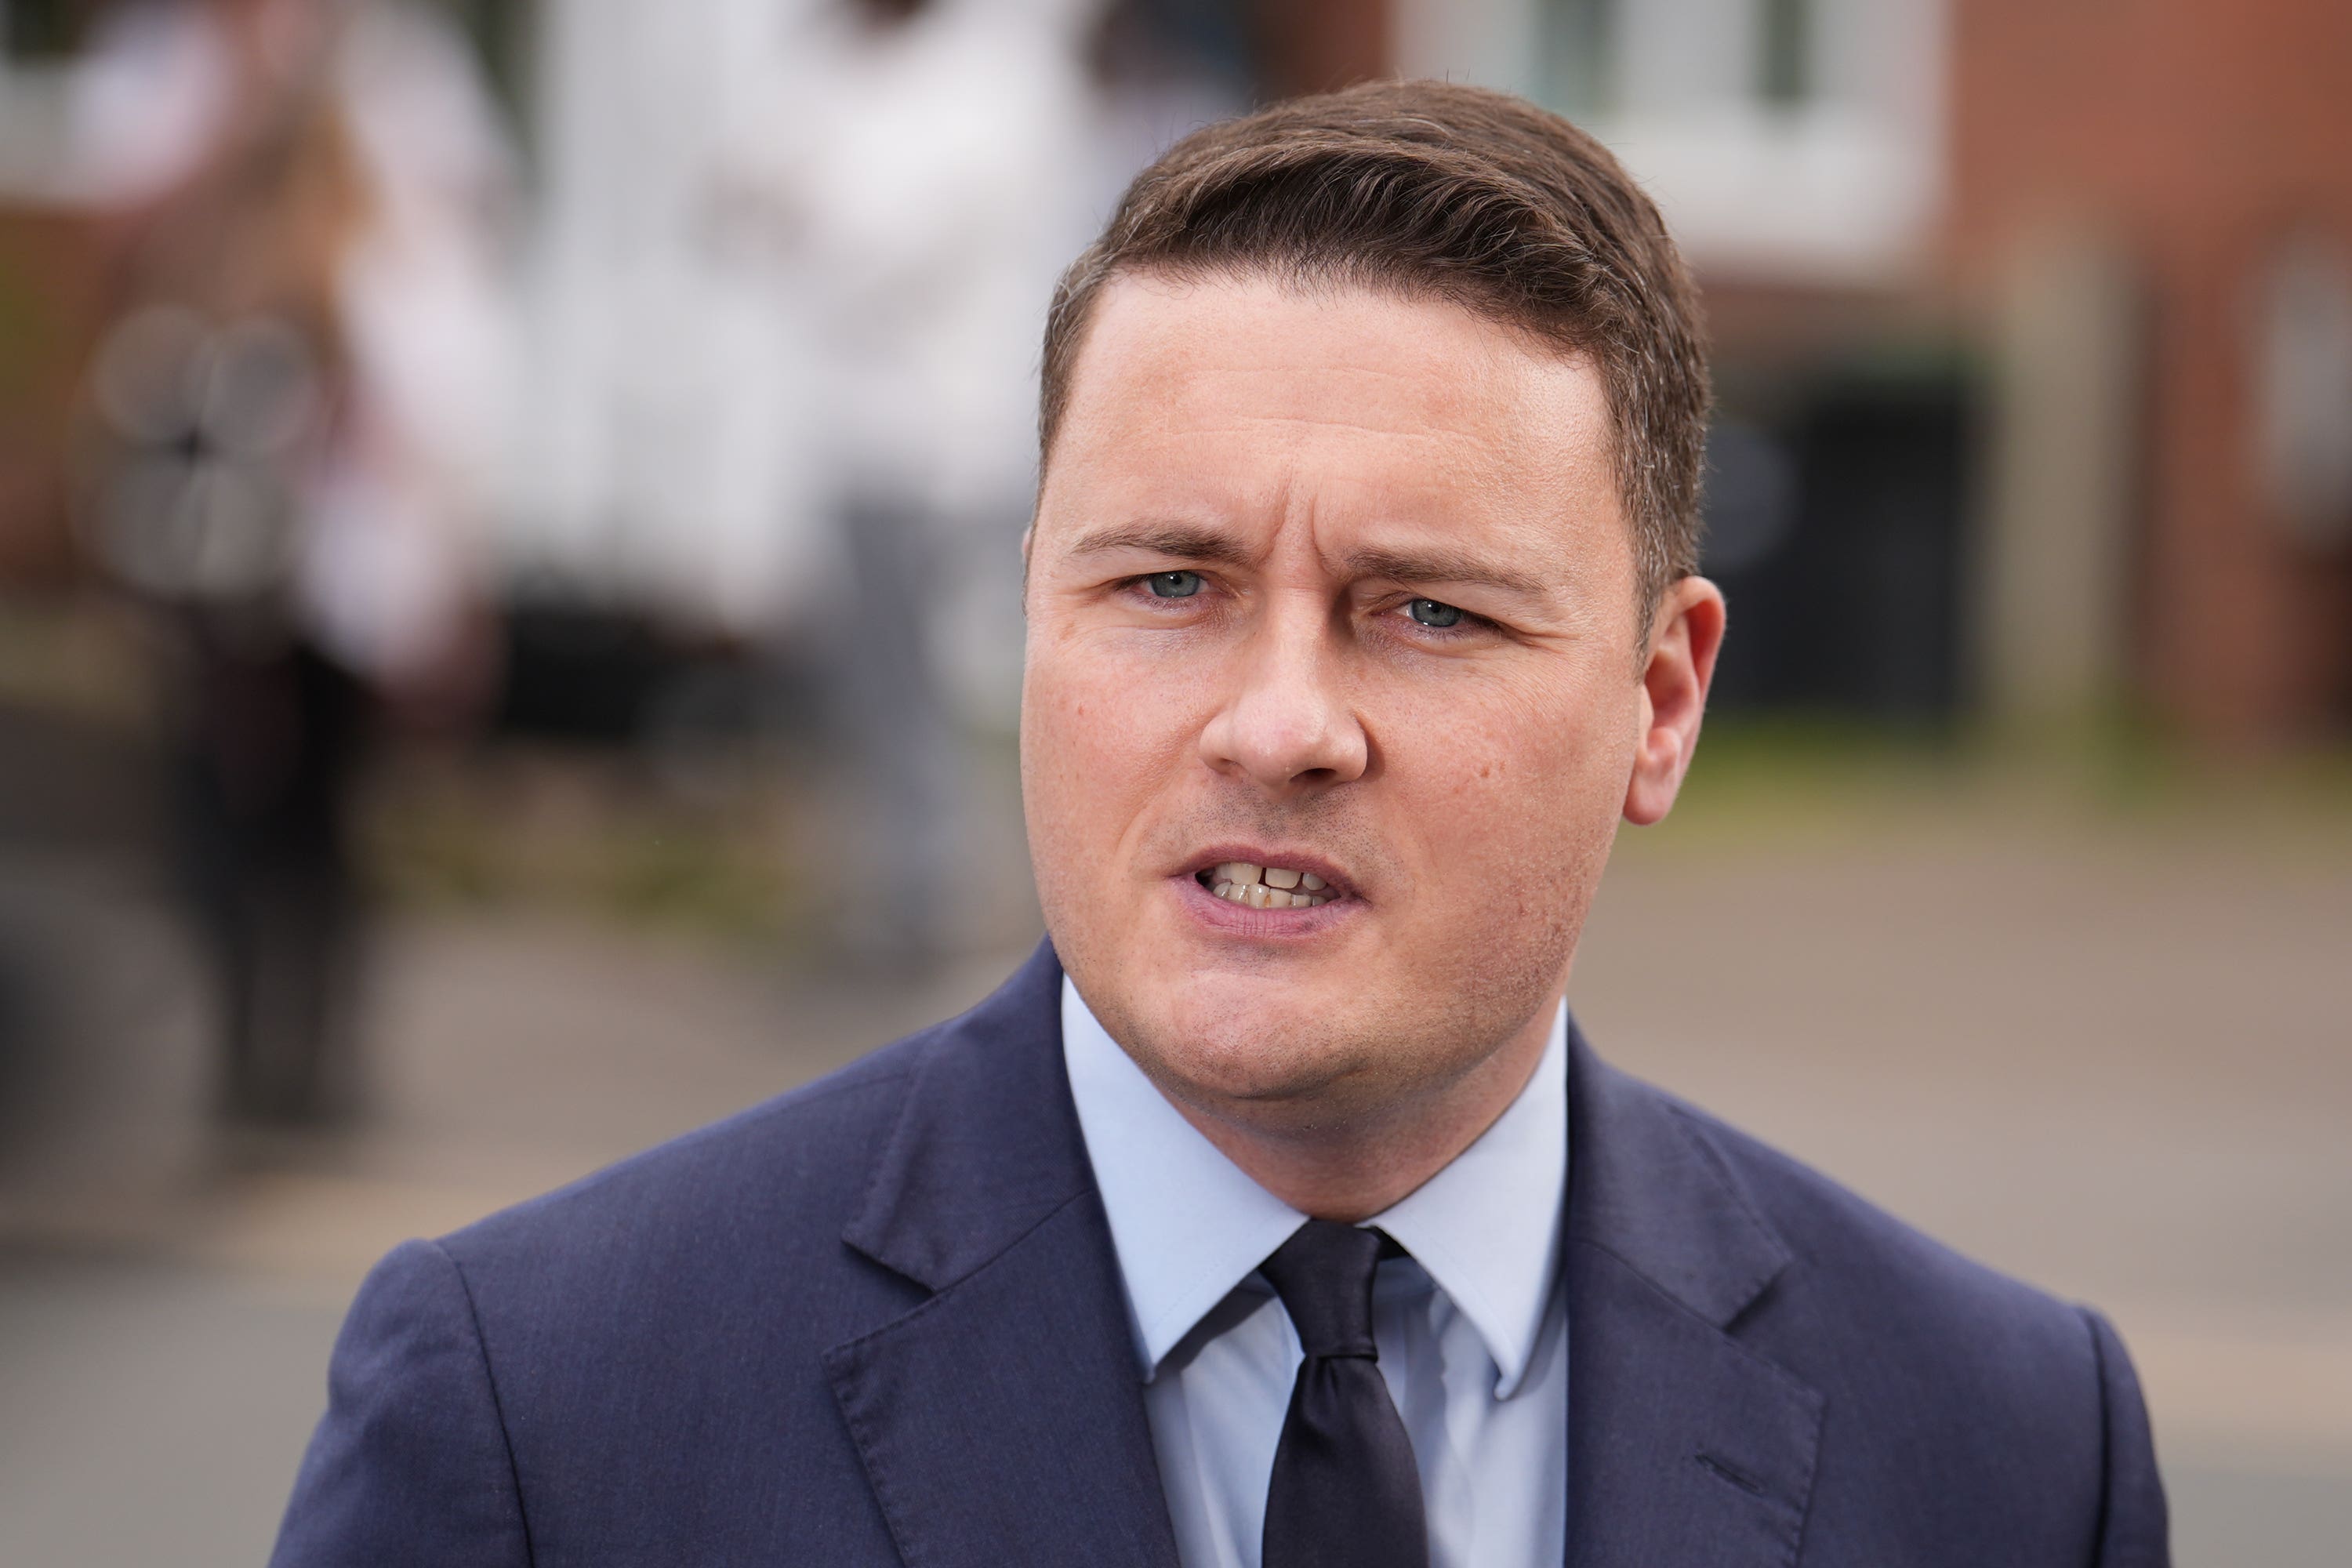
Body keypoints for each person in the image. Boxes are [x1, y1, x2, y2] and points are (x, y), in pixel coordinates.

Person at [269, 82, 2169, 1566]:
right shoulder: (541, 1409)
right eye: (1168, 584)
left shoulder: (2011, 1447)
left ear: (1660, 700)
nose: (1278, 722)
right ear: (1031, 609)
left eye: (1427, 608)